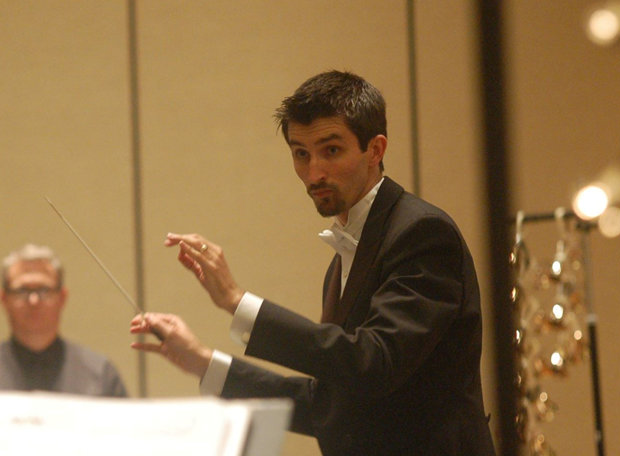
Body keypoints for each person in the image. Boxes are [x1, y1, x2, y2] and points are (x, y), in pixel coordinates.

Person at [130, 70, 495, 455]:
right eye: (301, 154)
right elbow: (330, 403)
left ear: (375, 149)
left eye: (331, 150)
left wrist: (237, 302)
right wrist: (204, 362)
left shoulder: (421, 233)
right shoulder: (347, 256)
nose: (313, 172)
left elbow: (372, 364)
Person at [1, 243, 128, 397]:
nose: (34, 301)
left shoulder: (100, 374)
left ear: (62, 298)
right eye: (22, 290)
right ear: (4, 299)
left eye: (44, 290)